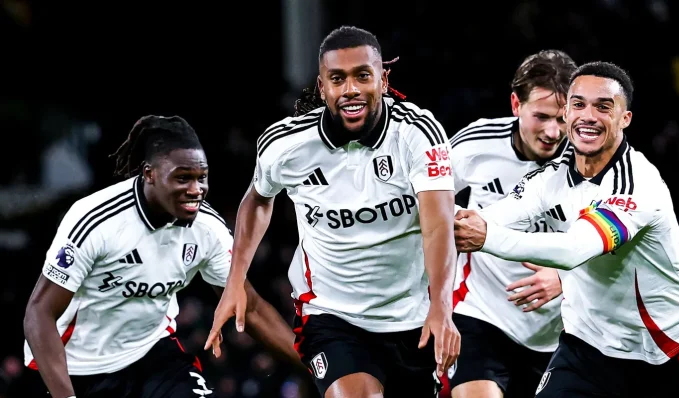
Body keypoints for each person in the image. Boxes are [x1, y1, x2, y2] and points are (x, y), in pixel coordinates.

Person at [205, 25, 460, 398]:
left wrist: (441, 307)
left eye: (363, 76)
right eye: (337, 79)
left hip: (413, 314)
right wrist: (235, 280)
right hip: (331, 315)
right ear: (322, 87)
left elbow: (438, 225)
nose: (351, 90)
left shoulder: (417, 134)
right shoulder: (286, 144)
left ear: (384, 80)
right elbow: (258, 200)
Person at [454, 62, 679, 397]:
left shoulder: (635, 185)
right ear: (567, 112)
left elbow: (574, 249)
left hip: (658, 353)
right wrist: (456, 222)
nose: (588, 116)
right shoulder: (551, 176)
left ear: (624, 119)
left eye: (603, 107)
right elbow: (496, 216)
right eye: (579, 104)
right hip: (586, 348)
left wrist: (486, 238)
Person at [22, 115, 299, 398]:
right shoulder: (95, 221)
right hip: (78, 368)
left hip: (152, 357)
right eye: (182, 178)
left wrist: (318, 370)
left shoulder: (208, 229)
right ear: (149, 174)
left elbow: (247, 306)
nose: (195, 190)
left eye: (201, 177)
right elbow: (39, 314)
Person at [447, 50, 576, 398]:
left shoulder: (592, 163)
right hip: (480, 317)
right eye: (542, 116)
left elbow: (621, 244)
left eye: (563, 119)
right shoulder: (476, 144)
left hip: (561, 333)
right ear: (516, 104)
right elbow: (425, 205)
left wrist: (566, 277)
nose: (553, 131)